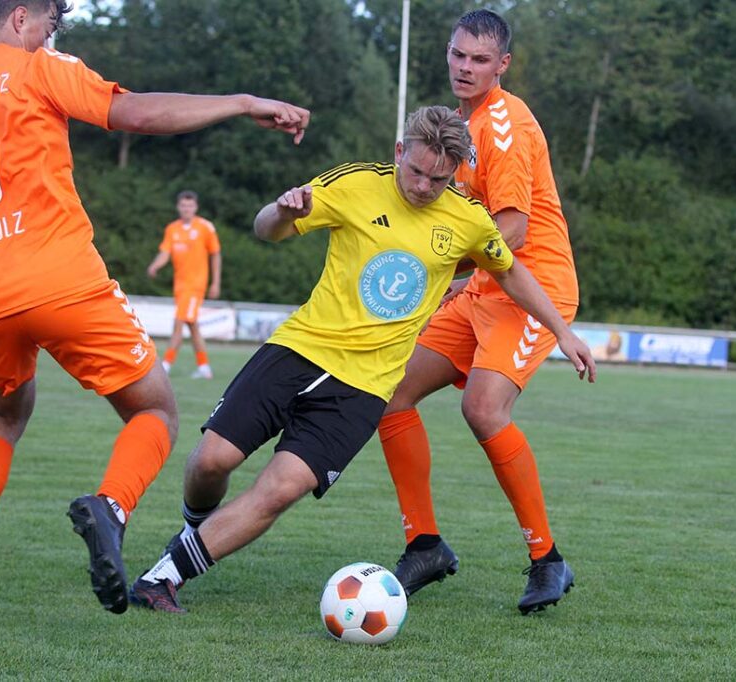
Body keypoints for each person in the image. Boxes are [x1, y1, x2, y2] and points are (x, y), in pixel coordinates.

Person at [0, 0, 309, 624]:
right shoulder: (38, 68)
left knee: (0, 417)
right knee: (154, 410)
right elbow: (135, 112)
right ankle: (111, 506)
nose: (50, 35)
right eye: (50, 23)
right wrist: (238, 101)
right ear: (22, 17)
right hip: (59, 278)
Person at [127, 105, 595, 613]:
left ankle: (164, 577)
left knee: (282, 487)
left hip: (363, 388)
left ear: (455, 173)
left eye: (438, 179)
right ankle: (199, 528)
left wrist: (562, 331)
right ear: (399, 152)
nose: (422, 186)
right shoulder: (354, 184)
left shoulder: (467, 219)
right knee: (211, 461)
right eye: (415, 171)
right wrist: (283, 211)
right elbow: (267, 229)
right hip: (298, 350)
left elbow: (511, 273)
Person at [377, 9, 583, 615]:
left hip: (533, 287)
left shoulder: (502, 124)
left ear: (503, 65)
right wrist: (459, 276)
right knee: (390, 393)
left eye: (480, 59)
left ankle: (547, 559)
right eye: (458, 55)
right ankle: (425, 545)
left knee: (483, 407)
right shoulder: (461, 126)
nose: (466, 68)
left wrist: (443, 264)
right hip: (485, 289)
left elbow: (514, 232)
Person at [147, 190, 222, 379]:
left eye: (190, 205)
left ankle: (165, 365)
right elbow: (165, 252)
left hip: (195, 286)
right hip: (180, 286)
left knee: (178, 325)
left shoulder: (205, 227)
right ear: (178, 207)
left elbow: (215, 254)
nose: (186, 209)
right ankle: (204, 368)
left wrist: (215, 283)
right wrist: (155, 265)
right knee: (192, 326)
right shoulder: (172, 229)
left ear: (195, 207)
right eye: (183, 205)